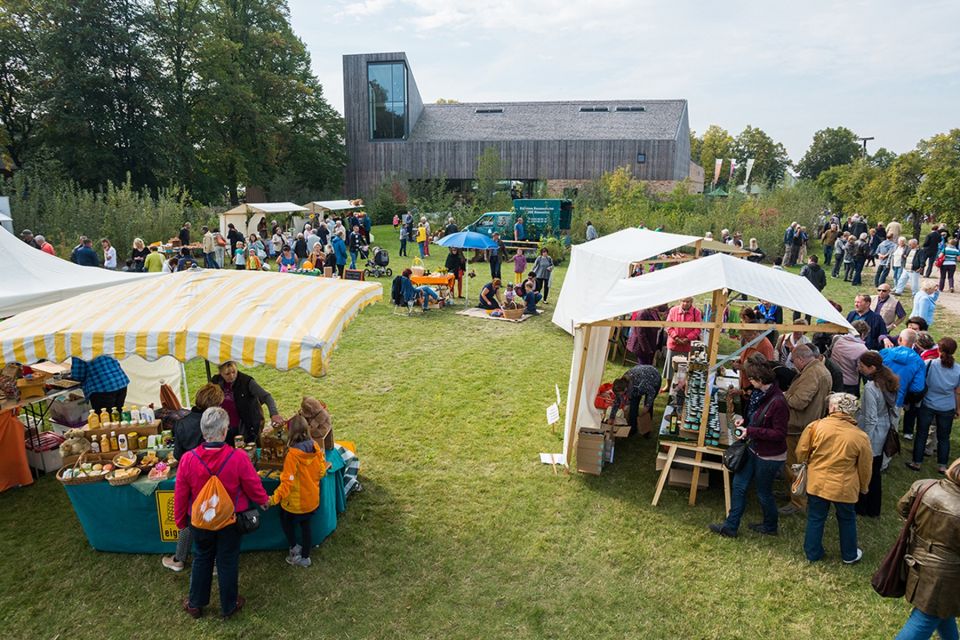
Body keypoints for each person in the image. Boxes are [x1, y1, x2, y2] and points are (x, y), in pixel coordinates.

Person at [175, 407, 268, 619]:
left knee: (202, 558)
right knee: (227, 560)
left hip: (200, 521)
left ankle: (195, 604)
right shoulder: (238, 457)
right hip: (230, 520)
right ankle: (229, 605)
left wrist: (180, 521)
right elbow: (253, 484)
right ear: (225, 431)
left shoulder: (188, 459)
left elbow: (180, 494)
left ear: (203, 431)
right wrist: (263, 500)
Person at [708, 359, 788, 538]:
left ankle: (770, 526)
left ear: (760, 379)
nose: (749, 381)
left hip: (769, 456)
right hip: (753, 448)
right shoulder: (761, 394)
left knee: (763, 493)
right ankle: (730, 526)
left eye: (751, 378)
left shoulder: (778, 402)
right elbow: (758, 417)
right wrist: (745, 422)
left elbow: (779, 433)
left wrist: (751, 430)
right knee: (739, 486)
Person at [796, 392, 873, 564]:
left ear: (832, 407)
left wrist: (807, 463)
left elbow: (801, 452)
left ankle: (812, 553)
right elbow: (865, 467)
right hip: (844, 486)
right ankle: (849, 555)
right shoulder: (860, 437)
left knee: (816, 517)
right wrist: (864, 487)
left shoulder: (815, 426)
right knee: (847, 519)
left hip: (817, 482)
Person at [891, 458, 960, 640]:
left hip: (916, 558)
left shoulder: (924, 486)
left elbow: (903, 508)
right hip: (947, 574)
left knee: (939, 610)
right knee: (927, 616)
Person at [163, 384, 226, 573]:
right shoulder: (216, 422)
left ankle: (179, 559)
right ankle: (215, 563)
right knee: (215, 518)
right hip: (215, 476)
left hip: (191, 477)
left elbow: (177, 455)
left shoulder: (182, 423)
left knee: (190, 518)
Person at [268, 415, 327, 568]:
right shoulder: (315, 447)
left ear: (290, 432)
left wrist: (273, 499)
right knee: (306, 526)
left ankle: (294, 548)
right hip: (311, 499)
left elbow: (286, 482)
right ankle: (305, 557)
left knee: (285, 519)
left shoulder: (292, 455)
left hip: (295, 503)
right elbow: (321, 471)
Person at [781, 344, 833, 516]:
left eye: (794, 360)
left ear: (801, 359)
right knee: (798, 465)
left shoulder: (812, 373)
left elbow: (798, 402)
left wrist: (785, 395)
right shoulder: (820, 369)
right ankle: (793, 494)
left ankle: (798, 502)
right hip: (806, 424)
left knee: (795, 466)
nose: (793, 364)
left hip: (799, 427)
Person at [855, 352, 899, 517]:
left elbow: (871, 418)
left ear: (872, 368)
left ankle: (862, 507)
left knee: (867, 472)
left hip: (873, 435)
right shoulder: (887, 380)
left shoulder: (871, 387)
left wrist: (864, 440)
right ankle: (873, 508)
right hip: (883, 430)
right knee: (874, 473)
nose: (859, 368)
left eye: (862, 365)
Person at [908, 338, 960, 475]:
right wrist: (958, 409)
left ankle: (916, 462)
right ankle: (942, 465)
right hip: (947, 406)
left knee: (921, 434)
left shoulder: (929, 364)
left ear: (939, 350)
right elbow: (958, 392)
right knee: (944, 437)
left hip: (928, 403)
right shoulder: (958, 369)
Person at [211, 361, 283, 446]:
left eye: (234, 372)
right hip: (225, 428)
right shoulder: (215, 382)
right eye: (227, 374)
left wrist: (274, 413)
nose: (232, 376)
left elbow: (266, 396)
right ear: (220, 373)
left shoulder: (246, 382)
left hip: (246, 429)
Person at [880, 329, 927, 408]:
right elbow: (917, 388)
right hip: (897, 400)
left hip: (879, 394)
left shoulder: (884, 353)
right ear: (915, 342)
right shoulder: (919, 362)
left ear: (899, 339)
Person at [664, 297, 702, 385]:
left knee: (685, 367)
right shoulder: (673, 310)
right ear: (680, 301)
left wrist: (687, 338)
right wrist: (676, 337)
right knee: (670, 366)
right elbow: (668, 326)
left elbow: (698, 329)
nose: (685, 303)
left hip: (688, 345)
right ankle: (668, 385)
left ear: (691, 302)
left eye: (688, 301)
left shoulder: (697, 312)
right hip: (674, 343)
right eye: (683, 301)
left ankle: (682, 385)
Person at [830, 320, 870, 396]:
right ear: (863, 334)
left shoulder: (838, 340)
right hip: (850, 384)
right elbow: (862, 369)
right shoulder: (862, 349)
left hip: (834, 379)